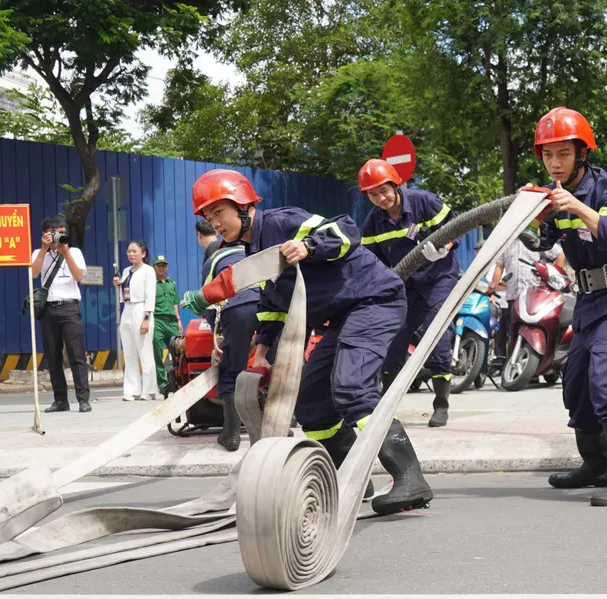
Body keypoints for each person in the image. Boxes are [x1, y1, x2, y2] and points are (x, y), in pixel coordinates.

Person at [184, 168, 433, 514]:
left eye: (219, 214)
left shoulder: (280, 224)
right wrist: (261, 354)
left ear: (242, 206)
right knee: (310, 405)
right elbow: (273, 305)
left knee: (351, 388)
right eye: (209, 218)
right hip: (345, 316)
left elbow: (345, 229)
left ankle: (410, 477)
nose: (216, 225)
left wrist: (309, 245)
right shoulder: (252, 254)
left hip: (375, 301)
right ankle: (355, 478)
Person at [529, 107, 607, 507]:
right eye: (548, 155)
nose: (555, 163)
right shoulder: (554, 197)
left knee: (605, 374)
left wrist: (578, 207)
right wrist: (530, 214)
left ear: (582, 153)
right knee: (577, 382)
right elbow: (544, 243)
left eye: (562, 153)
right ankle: (595, 464)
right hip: (587, 301)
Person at [358, 158, 459, 428]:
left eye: (384, 191)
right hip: (403, 285)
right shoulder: (372, 223)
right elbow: (370, 262)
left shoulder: (425, 202)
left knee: (436, 337)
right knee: (393, 343)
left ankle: (441, 404)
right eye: (373, 194)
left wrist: (444, 246)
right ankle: (388, 406)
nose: (381, 198)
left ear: (395, 184)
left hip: (439, 278)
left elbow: (456, 228)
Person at [182, 237, 260, 452]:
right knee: (268, 366)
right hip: (270, 306)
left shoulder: (214, 259)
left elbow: (208, 297)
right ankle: (277, 428)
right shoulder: (254, 251)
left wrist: (220, 330)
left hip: (238, 309)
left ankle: (231, 434)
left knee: (230, 371)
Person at [29, 215, 91, 413]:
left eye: (62, 232)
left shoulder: (74, 251)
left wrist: (65, 253)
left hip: (69, 307)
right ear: (45, 234)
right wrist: (45, 249)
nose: (59, 235)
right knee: (53, 356)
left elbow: (79, 276)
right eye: (55, 232)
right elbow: (34, 273)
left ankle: (83, 399)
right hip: (48, 309)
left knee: (76, 354)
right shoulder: (38, 252)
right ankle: (60, 400)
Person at [114, 240, 159, 401]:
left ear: (143, 253)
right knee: (129, 352)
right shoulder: (126, 270)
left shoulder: (148, 271)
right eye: (129, 251)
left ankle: (148, 389)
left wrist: (146, 318)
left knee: (145, 351)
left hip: (141, 309)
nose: (131, 254)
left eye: (135, 251)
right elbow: (126, 291)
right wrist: (118, 285)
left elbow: (149, 295)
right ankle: (131, 389)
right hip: (127, 308)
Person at [151, 255, 183, 393]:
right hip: (157, 320)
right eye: (159, 265)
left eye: (163, 265)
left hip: (172, 322)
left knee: (178, 351)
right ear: (154, 268)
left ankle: (178, 380)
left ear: (167, 267)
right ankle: (163, 384)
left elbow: (175, 303)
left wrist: (179, 321)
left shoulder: (171, 284)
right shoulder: (151, 284)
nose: (161, 268)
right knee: (157, 352)